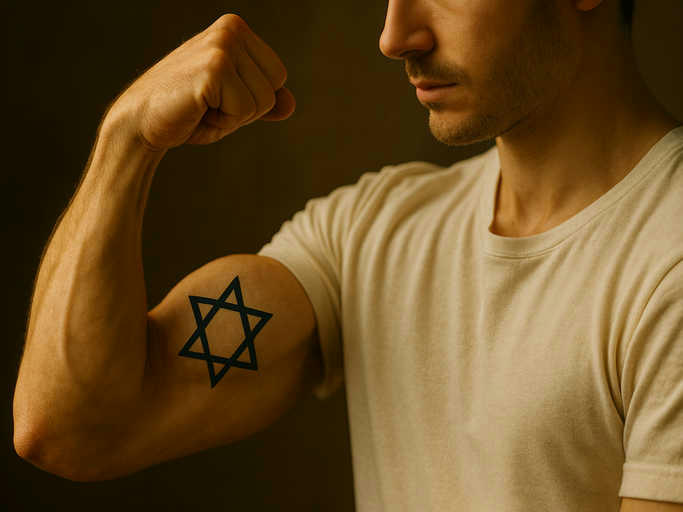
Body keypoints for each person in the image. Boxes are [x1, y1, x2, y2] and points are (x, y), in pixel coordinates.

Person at [12, 0, 682, 511]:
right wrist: (127, 141)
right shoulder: (370, 237)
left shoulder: (668, 260)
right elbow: (71, 428)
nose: (395, 36)